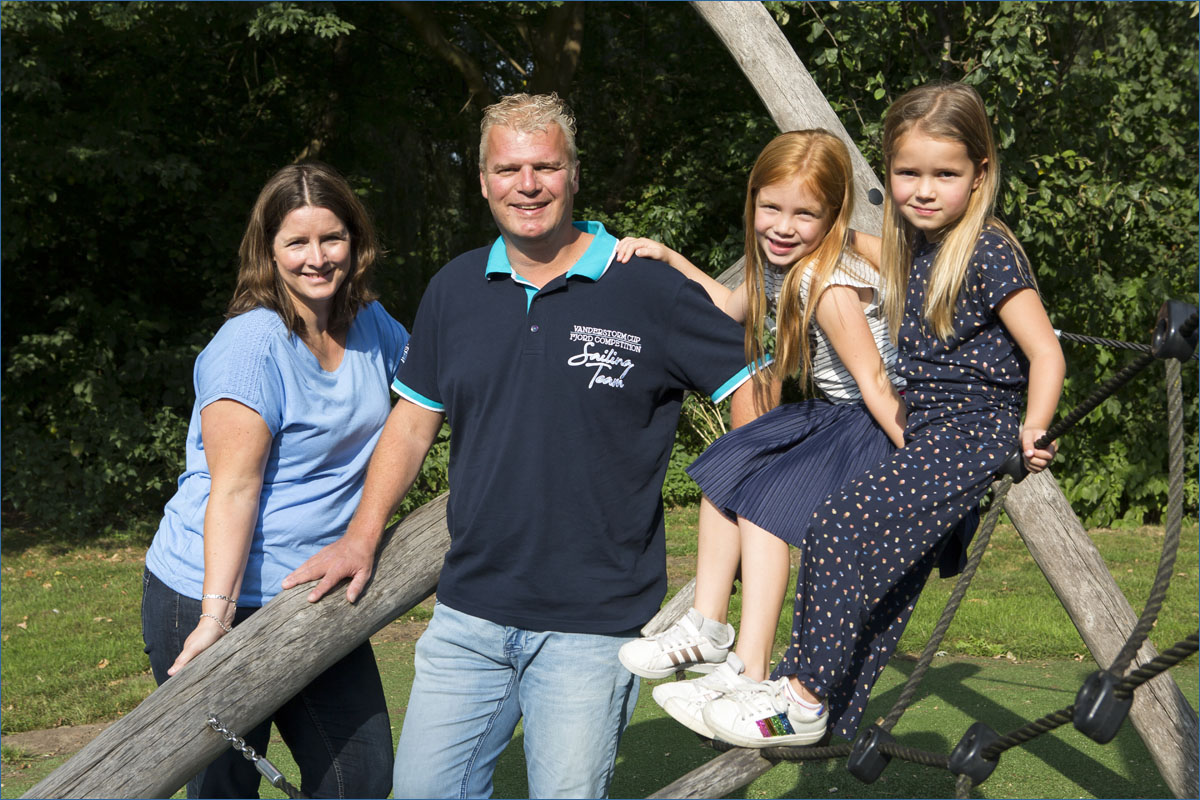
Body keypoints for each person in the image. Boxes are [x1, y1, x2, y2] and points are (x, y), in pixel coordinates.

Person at [281, 93, 759, 799]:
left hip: (594, 627)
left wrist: (750, 490)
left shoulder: (645, 287)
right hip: (469, 614)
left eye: (545, 167)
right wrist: (360, 535)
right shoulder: (455, 289)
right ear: (482, 180)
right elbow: (412, 424)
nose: (526, 185)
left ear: (573, 174)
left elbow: (750, 387)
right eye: (508, 169)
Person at [694, 82, 1066, 748]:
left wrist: (1034, 427)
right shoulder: (914, 244)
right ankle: (832, 711)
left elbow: (1045, 352)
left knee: (837, 525)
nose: (924, 190)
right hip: (927, 423)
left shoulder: (987, 251)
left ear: (980, 176)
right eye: (907, 173)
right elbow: (850, 239)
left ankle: (803, 697)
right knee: (886, 576)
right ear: (887, 172)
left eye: (944, 175)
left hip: (972, 429)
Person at [614, 130, 908, 742]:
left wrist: (926, 460)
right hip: (837, 413)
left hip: (871, 422)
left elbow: (877, 385)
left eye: (805, 213)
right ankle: (709, 627)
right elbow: (725, 306)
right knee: (726, 465)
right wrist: (671, 261)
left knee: (765, 504)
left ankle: (751, 667)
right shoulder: (780, 268)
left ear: (834, 216)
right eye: (770, 207)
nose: (782, 225)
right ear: (752, 201)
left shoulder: (825, 282)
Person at [141, 161, 404, 798]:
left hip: (316, 588)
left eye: (331, 238)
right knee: (226, 784)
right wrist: (215, 616)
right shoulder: (251, 347)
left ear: (355, 240)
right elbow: (234, 490)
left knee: (360, 777)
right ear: (269, 251)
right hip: (210, 595)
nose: (317, 258)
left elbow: (433, 396)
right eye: (297, 242)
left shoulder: (373, 325)